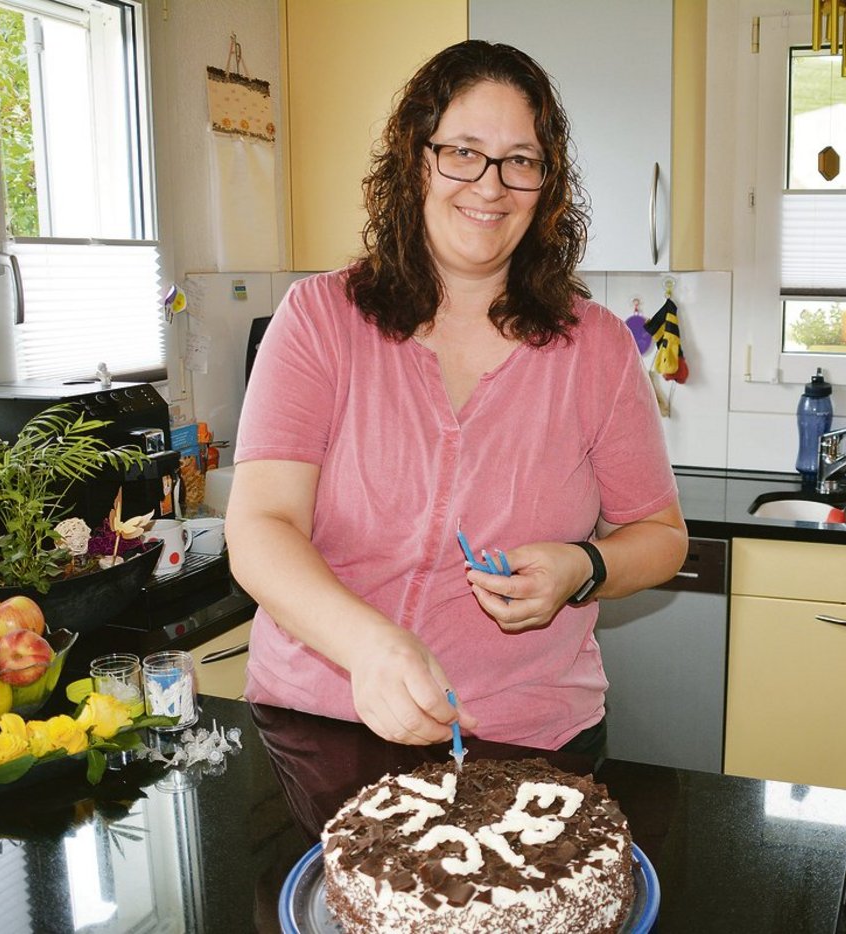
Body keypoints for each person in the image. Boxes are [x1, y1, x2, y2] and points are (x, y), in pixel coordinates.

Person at [225, 40, 687, 760]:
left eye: (520, 160)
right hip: (321, 724)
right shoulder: (319, 318)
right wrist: (369, 647)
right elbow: (260, 523)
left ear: (547, 185)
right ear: (417, 160)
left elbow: (661, 535)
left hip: (526, 742)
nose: (491, 185)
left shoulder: (594, 348)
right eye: (463, 151)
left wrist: (582, 568)